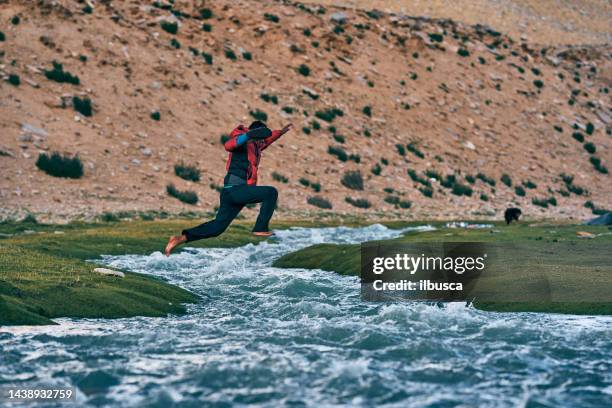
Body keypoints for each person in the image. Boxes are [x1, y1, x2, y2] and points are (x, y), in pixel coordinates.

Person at [164, 121, 293, 256]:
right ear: (254, 134)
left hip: (232, 192)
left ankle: (180, 238)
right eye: (260, 139)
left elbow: (267, 139)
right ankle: (260, 227)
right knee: (271, 192)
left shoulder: (256, 145)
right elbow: (229, 145)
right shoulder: (242, 138)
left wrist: (281, 132)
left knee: (217, 228)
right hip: (235, 189)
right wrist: (249, 135)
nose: (262, 143)